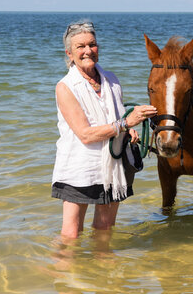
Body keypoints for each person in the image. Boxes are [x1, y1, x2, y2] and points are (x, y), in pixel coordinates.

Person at [52, 20, 157, 239]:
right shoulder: (65, 87)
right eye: (80, 46)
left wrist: (128, 133)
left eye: (92, 44)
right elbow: (85, 134)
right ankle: (64, 274)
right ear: (69, 54)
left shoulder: (112, 80)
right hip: (79, 168)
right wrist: (126, 124)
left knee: (105, 229)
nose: (87, 50)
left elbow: (115, 119)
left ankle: (103, 272)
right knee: (71, 235)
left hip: (114, 167)